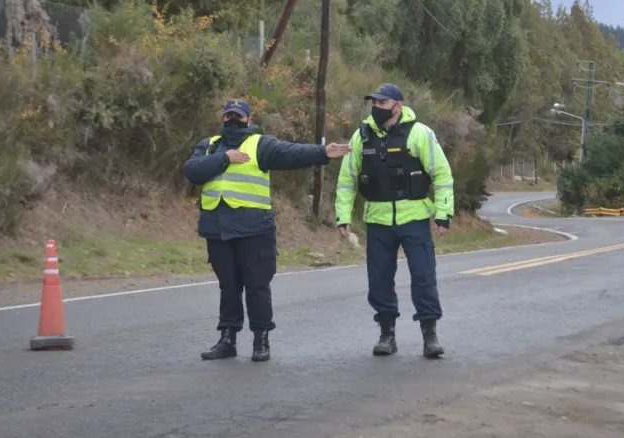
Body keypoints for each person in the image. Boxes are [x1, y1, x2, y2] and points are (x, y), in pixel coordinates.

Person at [184, 98, 351, 362]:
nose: (233, 120)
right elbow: (192, 171)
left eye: (238, 116)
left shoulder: (260, 144)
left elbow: (291, 153)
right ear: (222, 118)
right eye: (228, 116)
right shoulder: (209, 146)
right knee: (228, 286)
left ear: (248, 120)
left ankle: (261, 339)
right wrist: (225, 158)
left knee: (257, 286)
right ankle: (227, 338)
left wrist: (322, 153)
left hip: (254, 231)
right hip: (219, 230)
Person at [334, 83, 454, 359]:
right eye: (373, 103)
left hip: (414, 219)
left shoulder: (420, 134)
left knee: (424, 277)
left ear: (398, 105)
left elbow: (442, 175)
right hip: (377, 221)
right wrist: (343, 216)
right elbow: (346, 180)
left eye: (383, 103)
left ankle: (429, 334)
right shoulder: (361, 137)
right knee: (379, 279)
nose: (376, 108)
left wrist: (443, 214)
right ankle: (387, 334)